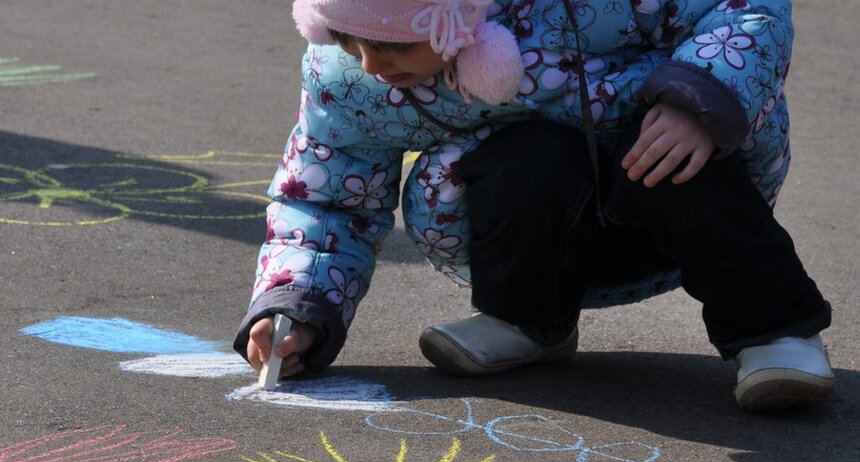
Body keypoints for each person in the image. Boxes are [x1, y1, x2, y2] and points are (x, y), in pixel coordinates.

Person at [234, 0, 834, 411]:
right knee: (522, 155)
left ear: (461, 16)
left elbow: (744, 7)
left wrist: (700, 97)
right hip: (541, 222)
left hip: (669, 195)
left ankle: (774, 328)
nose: (369, 62)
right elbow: (327, 196)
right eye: (344, 37)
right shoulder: (352, 76)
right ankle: (526, 319)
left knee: (667, 152)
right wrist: (300, 306)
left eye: (394, 45)